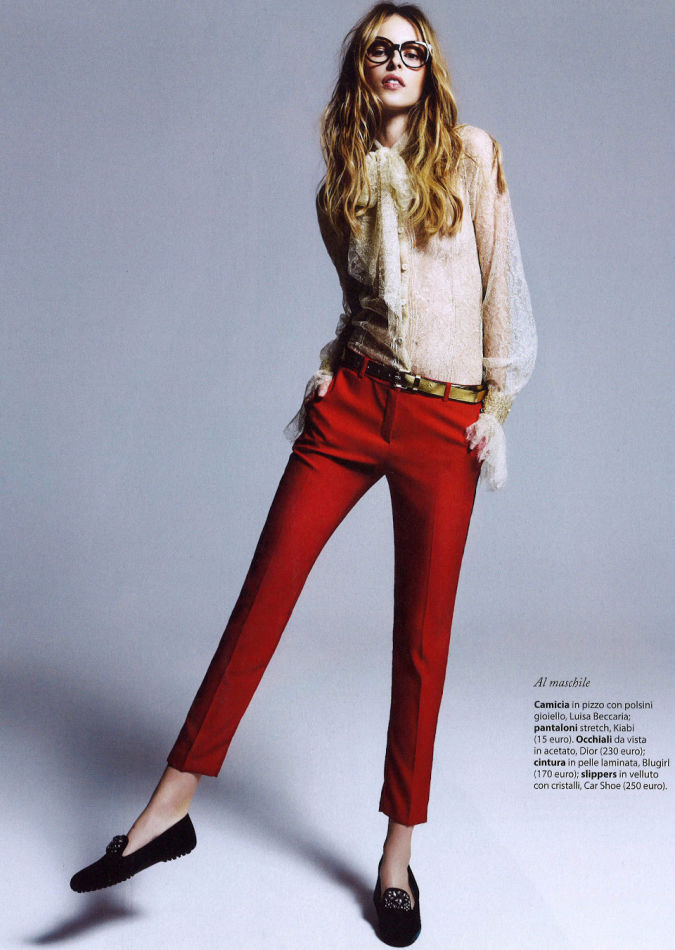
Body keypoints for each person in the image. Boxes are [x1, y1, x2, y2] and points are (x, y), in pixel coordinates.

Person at [70, 3, 536, 946]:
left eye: (412, 50)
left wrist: (495, 408)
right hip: (354, 405)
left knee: (421, 640)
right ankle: (167, 809)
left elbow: (502, 288)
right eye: (380, 49)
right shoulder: (342, 183)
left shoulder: (472, 156)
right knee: (264, 594)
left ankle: (397, 856)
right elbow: (365, 302)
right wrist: (332, 365)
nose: (396, 60)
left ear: (430, 68)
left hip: (444, 419)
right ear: (361, 67)